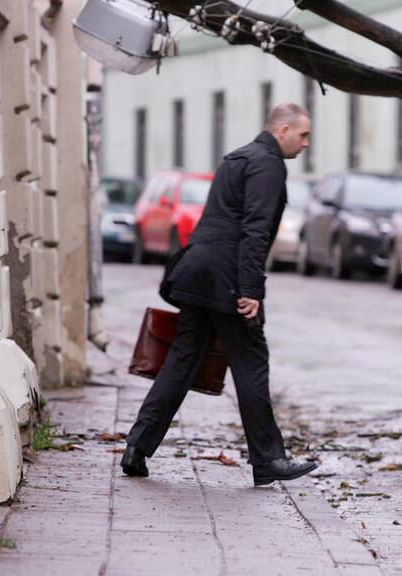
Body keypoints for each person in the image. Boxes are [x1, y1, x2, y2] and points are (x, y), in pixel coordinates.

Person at [121, 103, 317, 486]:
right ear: (282, 130)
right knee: (251, 364)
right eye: (303, 134)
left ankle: (137, 448)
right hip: (228, 278)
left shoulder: (236, 158)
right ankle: (268, 460)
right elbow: (255, 231)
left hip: (197, 270)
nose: (306, 143)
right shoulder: (269, 164)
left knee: (180, 363)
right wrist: (250, 290)